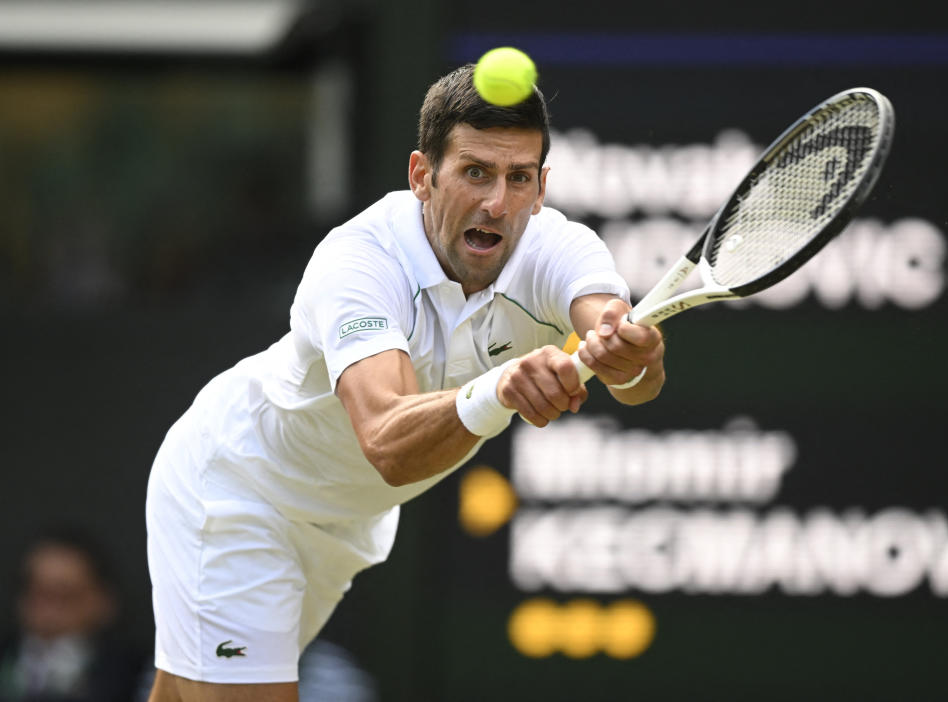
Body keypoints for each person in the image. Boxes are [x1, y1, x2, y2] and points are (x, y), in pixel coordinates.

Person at [145, 62, 665, 701]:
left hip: (343, 524)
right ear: (422, 175)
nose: (497, 203)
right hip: (238, 490)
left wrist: (631, 355)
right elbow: (388, 443)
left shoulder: (560, 250)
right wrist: (500, 388)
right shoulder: (358, 262)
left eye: (518, 177)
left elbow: (629, 368)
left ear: (541, 184)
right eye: (475, 172)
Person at [0, 530, 145, 702]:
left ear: (104, 601)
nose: (48, 609)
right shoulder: (6, 657)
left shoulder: (137, 676)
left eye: (64, 595)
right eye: (37, 593)